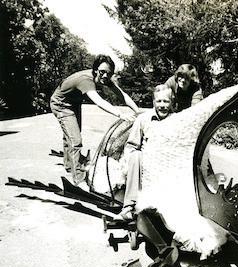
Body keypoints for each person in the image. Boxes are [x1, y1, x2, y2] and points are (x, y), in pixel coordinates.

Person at [50, 54, 140, 189]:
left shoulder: (105, 79)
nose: (104, 76)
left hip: (74, 102)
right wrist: (120, 114)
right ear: (95, 70)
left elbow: (122, 95)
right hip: (61, 104)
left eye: (108, 73)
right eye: (102, 72)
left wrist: (138, 112)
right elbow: (99, 101)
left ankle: (69, 166)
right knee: (75, 140)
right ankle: (79, 180)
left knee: (71, 135)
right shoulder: (86, 80)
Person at [119, 85, 174, 220]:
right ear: (153, 102)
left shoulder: (177, 120)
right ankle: (129, 206)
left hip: (167, 162)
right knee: (135, 156)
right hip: (146, 163)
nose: (162, 105)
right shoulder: (143, 119)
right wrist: (128, 164)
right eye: (159, 101)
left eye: (166, 101)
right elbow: (131, 146)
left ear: (171, 102)